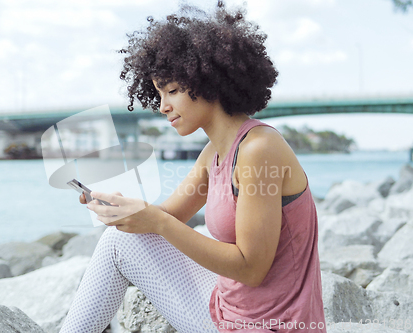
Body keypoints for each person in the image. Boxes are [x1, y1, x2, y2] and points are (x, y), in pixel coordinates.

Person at [59, 2, 326, 332]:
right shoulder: (214, 151)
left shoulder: (259, 150)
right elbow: (169, 216)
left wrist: (156, 221)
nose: (163, 106)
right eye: (158, 93)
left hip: (268, 326)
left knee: (120, 243)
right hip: (228, 309)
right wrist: (124, 210)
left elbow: (252, 268)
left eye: (171, 91)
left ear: (209, 82)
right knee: (120, 240)